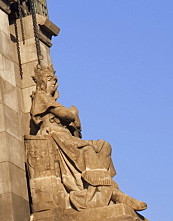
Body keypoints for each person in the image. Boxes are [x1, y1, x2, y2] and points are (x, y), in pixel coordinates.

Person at [30, 64, 146, 212]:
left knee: (103, 146)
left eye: (55, 79)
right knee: (86, 150)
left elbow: (73, 123)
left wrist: (72, 116)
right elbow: (66, 115)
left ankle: (104, 190)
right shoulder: (41, 96)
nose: (55, 82)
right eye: (50, 79)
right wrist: (72, 112)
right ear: (42, 82)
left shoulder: (53, 100)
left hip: (64, 135)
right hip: (54, 134)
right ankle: (109, 195)